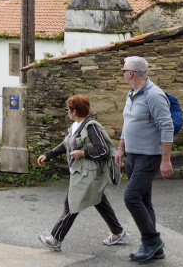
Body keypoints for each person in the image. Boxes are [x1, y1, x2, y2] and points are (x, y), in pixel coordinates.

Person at [36, 94, 128, 252]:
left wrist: (83, 153)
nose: (67, 111)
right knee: (99, 201)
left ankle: (55, 239)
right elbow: (65, 145)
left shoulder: (91, 126)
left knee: (72, 204)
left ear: (74, 111)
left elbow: (104, 150)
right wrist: (48, 155)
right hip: (80, 172)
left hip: (88, 174)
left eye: (68, 109)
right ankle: (118, 232)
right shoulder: (74, 127)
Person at [115, 56, 174, 262]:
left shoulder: (154, 95)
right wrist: (121, 147)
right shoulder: (131, 94)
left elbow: (167, 126)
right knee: (144, 200)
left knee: (131, 197)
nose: (122, 73)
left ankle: (151, 240)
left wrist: (165, 159)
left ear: (130, 73)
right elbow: (127, 122)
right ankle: (155, 249)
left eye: (123, 70)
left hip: (149, 157)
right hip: (134, 154)